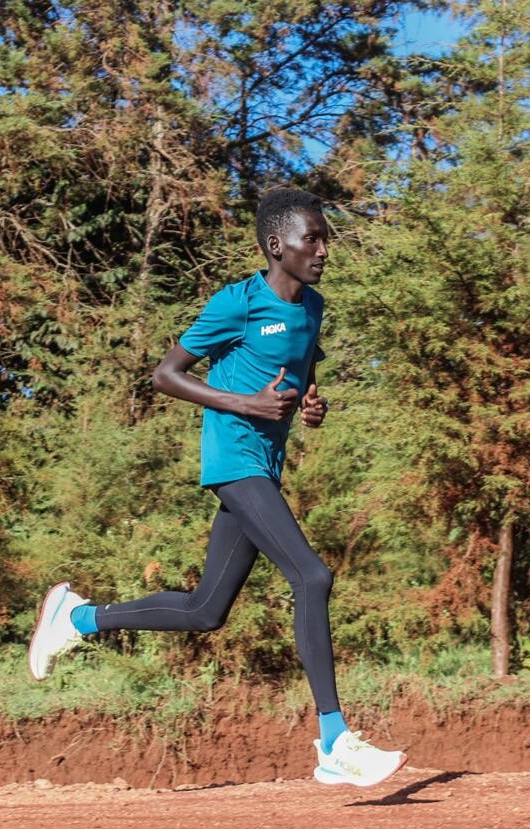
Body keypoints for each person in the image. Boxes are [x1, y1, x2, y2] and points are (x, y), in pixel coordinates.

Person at [28, 187, 406, 788]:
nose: (323, 250)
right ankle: (335, 741)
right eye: (312, 239)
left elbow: (301, 370)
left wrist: (311, 404)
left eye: (325, 239)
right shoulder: (238, 303)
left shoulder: (313, 306)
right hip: (234, 460)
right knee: (312, 577)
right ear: (277, 245)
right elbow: (165, 375)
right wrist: (246, 403)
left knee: (206, 611)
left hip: (266, 463)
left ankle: (78, 619)